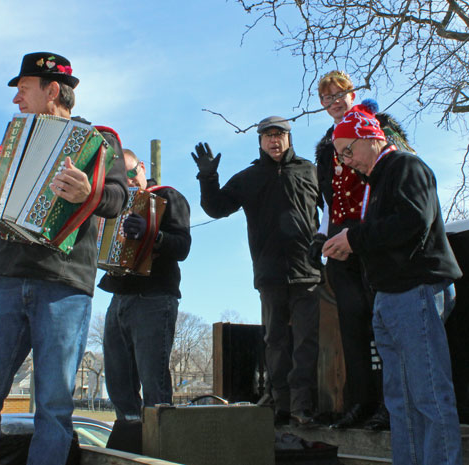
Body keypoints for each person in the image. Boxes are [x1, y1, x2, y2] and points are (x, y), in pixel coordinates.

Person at [0, 52, 128, 465]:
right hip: (4, 276)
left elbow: (118, 198)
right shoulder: (12, 136)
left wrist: (88, 194)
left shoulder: (100, 141)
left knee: (54, 408)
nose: (16, 100)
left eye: (23, 89)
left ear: (51, 89)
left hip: (64, 285)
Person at [323, 100, 463, 465]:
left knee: (428, 395)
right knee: (400, 401)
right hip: (391, 294)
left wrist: (353, 239)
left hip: (415, 290)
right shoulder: (377, 180)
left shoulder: (405, 165)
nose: (345, 161)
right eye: (339, 156)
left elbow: (413, 222)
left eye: (347, 150)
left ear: (370, 137)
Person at [192, 116, 321, 426]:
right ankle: (283, 406)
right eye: (267, 136)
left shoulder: (310, 171)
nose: (274, 140)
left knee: (306, 342)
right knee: (276, 342)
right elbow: (217, 208)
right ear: (260, 142)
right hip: (270, 273)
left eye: (279, 135)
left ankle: (304, 408)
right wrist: (208, 179)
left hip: (308, 271)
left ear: (289, 139)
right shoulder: (249, 177)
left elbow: (332, 210)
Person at [310, 70, 411, 430]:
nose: (335, 102)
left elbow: (401, 175)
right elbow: (328, 199)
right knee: (352, 325)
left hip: (374, 237)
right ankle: (361, 401)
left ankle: (392, 403)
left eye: (340, 94)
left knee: (383, 322)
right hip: (340, 241)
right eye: (327, 98)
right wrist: (321, 237)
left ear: (353, 94)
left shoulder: (380, 124)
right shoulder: (326, 146)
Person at [99, 149, 191, 422]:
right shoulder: (115, 202)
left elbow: (183, 247)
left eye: (129, 173)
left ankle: (160, 451)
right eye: (119, 176)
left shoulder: (167, 196)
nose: (126, 181)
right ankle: (130, 435)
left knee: (154, 382)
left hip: (154, 297)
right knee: (118, 382)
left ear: (140, 167)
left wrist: (153, 234)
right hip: (119, 297)